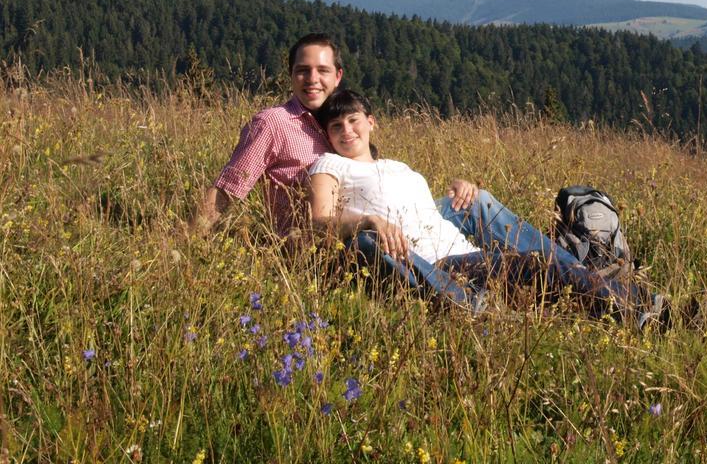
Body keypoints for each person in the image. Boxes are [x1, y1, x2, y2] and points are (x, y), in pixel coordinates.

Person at [308, 89, 669, 328]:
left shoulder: (396, 166)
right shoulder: (330, 164)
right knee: (536, 270)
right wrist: (368, 219)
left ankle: (591, 276)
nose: (346, 131)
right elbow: (319, 221)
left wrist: (462, 191)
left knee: (482, 204)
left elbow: (424, 210)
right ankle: (640, 311)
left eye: (353, 120)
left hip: (464, 252)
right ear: (327, 135)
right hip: (433, 265)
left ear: (371, 122)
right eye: (336, 126)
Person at [192, 33, 478, 236]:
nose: (312, 79)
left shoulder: (341, 123)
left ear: (338, 76)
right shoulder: (273, 124)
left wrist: (454, 188)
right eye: (302, 71)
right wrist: (190, 247)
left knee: (477, 204)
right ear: (291, 75)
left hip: (381, 225)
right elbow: (227, 190)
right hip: (328, 244)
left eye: (322, 70)